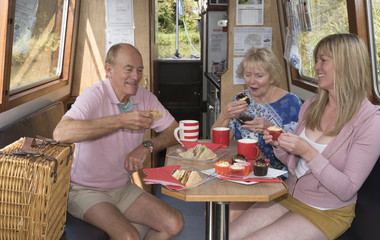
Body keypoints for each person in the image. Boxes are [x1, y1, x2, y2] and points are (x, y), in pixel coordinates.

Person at [229, 33, 380, 240]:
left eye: (323, 61)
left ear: (346, 64)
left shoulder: (371, 121)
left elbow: (347, 189)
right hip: (289, 195)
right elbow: (293, 161)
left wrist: (308, 152)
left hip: (326, 212)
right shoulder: (312, 105)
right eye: (316, 60)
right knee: (228, 234)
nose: (316, 67)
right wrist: (280, 144)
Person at [53, 43, 183, 240]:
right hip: (84, 191)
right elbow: (61, 133)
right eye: (129, 69)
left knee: (174, 223)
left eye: (139, 70)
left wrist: (147, 145)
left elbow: (175, 131)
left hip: (122, 187)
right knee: (128, 236)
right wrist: (121, 120)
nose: (136, 77)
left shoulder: (144, 97)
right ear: (109, 70)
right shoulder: (94, 95)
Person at [211, 47, 302, 172]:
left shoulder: (291, 102)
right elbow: (218, 144)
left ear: (272, 77)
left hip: (278, 173)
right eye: (247, 75)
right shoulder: (240, 99)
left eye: (259, 76)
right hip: (242, 170)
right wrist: (224, 116)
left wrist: (271, 129)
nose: (252, 81)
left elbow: (299, 149)